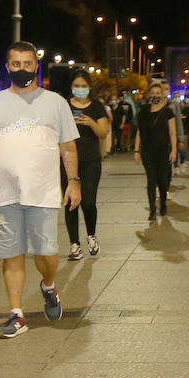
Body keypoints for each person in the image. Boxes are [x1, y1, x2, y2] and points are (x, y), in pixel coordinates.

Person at [0, 42, 80, 339]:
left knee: (47, 253)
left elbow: (68, 147)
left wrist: (74, 182)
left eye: (27, 64)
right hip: (3, 194)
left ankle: (49, 285)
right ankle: (17, 314)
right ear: (7, 66)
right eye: (15, 64)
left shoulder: (55, 102)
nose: (22, 69)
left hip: (42, 193)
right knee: (11, 254)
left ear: (36, 66)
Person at [63, 71, 110, 260]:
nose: (80, 89)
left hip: (91, 160)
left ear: (89, 87)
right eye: (77, 85)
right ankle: (74, 244)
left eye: (83, 86)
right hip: (67, 162)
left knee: (88, 202)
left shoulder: (97, 107)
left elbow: (103, 133)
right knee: (70, 203)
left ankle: (91, 235)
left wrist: (90, 122)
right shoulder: (64, 106)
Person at [135, 82, 178, 219]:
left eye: (158, 94)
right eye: (153, 93)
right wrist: (136, 151)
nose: (155, 96)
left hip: (163, 151)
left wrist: (174, 150)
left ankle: (163, 204)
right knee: (151, 180)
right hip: (147, 151)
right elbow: (139, 132)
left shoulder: (167, 112)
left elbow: (172, 133)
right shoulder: (143, 112)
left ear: (163, 95)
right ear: (149, 95)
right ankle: (152, 210)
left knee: (163, 181)